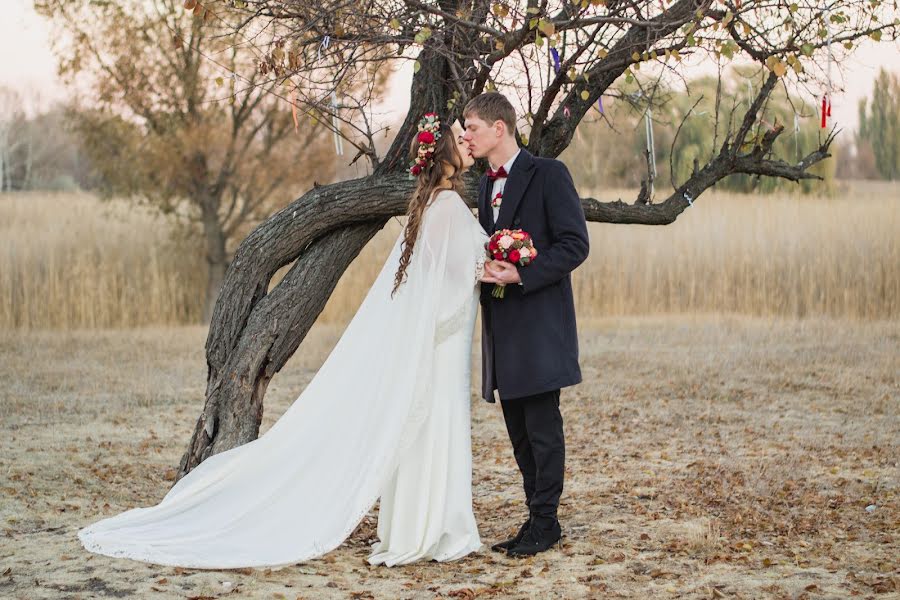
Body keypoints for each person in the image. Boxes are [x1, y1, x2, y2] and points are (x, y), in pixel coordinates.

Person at [76, 114, 491, 569]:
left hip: (439, 340)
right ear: (446, 153)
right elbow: (454, 276)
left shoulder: (432, 203)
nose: (468, 141)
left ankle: (422, 526)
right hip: (443, 343)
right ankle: (434, 530)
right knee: (435, 426)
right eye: (460, 136)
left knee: (427, 430)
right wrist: (501, 263)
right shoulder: (447, 207)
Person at [463, 92, 590, 557]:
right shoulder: (482, 186)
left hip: (538, 322)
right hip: (501, 322)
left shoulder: (549, 174)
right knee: (517, 429)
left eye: (472, 127)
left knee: (541, 426)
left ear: (500, 128)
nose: (466, 136)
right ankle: (534, 518)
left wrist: (522, 272)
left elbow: (575, 244)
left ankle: (546, 522)